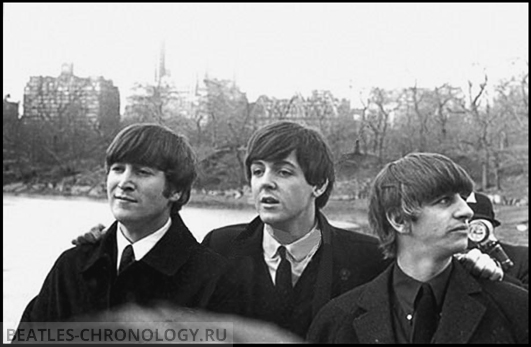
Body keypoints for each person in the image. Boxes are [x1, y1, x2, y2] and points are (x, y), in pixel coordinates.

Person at [71, 121, 504, 339]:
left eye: (283, 171)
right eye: (257, 171)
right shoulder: (217, 247)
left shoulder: (369, 256)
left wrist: (470, 263)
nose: (265, 183)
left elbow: (423, 285)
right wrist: (107, 247)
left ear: (318, 184)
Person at [14, 123, 241, 341]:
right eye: (118, 169)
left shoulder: (212, 280)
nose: (124, 182)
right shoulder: (72, 266)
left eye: (142, 172)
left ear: (176, 191)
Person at [307, 152, 528, 344]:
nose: (466, 211)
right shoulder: (337, 322)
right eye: (444, 201)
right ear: (399, 219)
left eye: (462, 199)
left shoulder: (514, 308)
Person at [466, 191, 528, 288]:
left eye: (477, 229)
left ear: (492, 228)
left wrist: (499, 275)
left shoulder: (521, 257)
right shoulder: (445, 262)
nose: (469, 234)